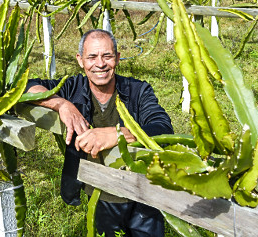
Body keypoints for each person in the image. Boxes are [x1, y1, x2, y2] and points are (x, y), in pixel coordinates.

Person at [26, 29, 173, 236]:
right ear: (80, 60)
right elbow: (26, 87)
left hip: (144, 192)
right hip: (100, 192)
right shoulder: (72, 87)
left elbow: (162, 128)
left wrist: (118, 134)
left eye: (107, 56)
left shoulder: (138, 90)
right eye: (92, 57)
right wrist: (60, 103)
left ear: (118, 58)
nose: (100, 64)